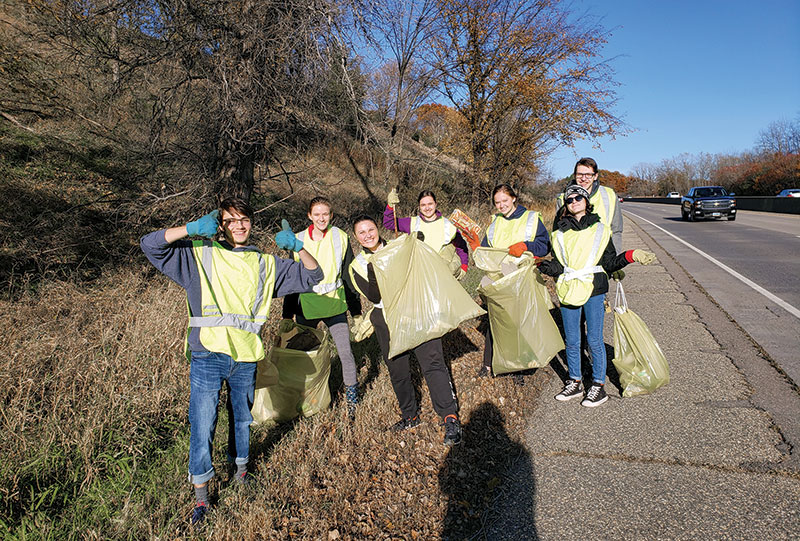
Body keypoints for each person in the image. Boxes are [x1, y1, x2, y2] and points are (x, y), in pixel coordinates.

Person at [140, 198, 322, 526]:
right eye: (230, 220)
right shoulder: (199, 255)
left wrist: (298, 246)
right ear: (220, 225)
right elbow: (150, 245)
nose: (238, 225)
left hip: (247, 355)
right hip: (208, 354)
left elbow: (313, 276)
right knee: (203, 421)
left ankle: (240, 474)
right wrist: (190, 229)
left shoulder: (267, 264)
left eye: (244, 219)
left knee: (241, 420)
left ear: (251, 223)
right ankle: (202, 498)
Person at [346, 215, 462, 446]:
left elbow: (422, 269)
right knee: (398, 372)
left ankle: (450, 417)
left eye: (371, 229)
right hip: (387, 319)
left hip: (416, 310)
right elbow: (374, 296)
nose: (368, 234)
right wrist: (373, 269)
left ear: (378, 229)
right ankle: (410, 416)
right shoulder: (356, 265)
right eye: (362, 232)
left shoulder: (400, 244)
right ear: (356, 237)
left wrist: (416, 245)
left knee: (433, 364)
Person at [537, 185, 656, 407]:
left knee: (593, 340)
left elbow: (609, 262)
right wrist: (540, 265)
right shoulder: (559, 234)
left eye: (578, 198)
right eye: (569, 199)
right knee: (572, 341)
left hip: (594, 289)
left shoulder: (601, 230)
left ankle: (598, 386)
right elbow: (560, 266)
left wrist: (630, 256)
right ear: (566, 205)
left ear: (586, 201)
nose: (574, 202)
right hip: (569, 289)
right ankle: (575, 381)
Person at [281, 197, 362, 419]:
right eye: (316, 214)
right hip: (305, 308)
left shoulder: (341, 237)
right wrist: (287, 316)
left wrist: (356, 312)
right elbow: (291, 280)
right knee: (304, 357)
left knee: (345, 354)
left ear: (331, 215)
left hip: (335, 306)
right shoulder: (297, 239)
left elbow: (348, 277)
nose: (321, 218)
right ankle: (307, 399)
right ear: (309, 216)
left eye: (325, 214)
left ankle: (352, 400)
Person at [461, 184, 550, 379]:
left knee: (520, 323)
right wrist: (476, 246)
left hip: (521, 278)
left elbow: (544, 247)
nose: (501, 205)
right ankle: (488, 364)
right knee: (496, 320)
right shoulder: (494, 223)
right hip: (499, 279)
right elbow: (486, 253)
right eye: (497, 202)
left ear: (514, 198)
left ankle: (520, 366)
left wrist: (526, 245)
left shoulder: (532, 219)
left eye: (504, 201)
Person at [384, 189, 469, 279]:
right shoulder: (411, 222)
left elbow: (461, 246)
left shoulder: (448, 224)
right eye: (423, 205)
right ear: (419, 207)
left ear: (436, 204)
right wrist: (390, 206)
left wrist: (464, 266)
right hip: (419, 274)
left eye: (430, 204)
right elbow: (389, 223)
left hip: (441, 276)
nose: (427, 208)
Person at [556, 157, 623, 255]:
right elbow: (558, 233)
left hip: (604, 256)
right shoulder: (563, 199)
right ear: (574, 175)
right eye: (580, 174)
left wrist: (614, 257)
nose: (583, 179)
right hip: (575, 259)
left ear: (595, 176)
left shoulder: (609, 195)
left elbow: (616, 230)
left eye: (588, 175)